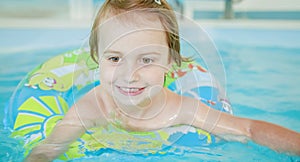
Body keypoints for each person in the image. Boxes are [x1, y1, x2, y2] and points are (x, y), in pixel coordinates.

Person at [25, 0, 300, 161]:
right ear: (97, 57)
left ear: (171, 62)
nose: (128, 75)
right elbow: (50, 148)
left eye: (146, 60)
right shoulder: (91, 109)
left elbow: (248, 129)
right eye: (114, 59)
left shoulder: (182, 109)